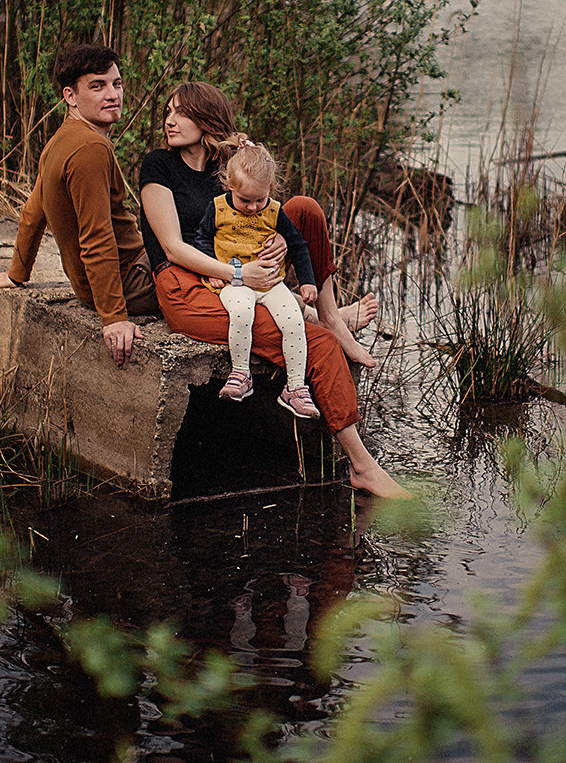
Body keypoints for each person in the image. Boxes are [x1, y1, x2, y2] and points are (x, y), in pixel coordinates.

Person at [138, 81, 408, 497]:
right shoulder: (158, 165)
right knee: (314, 343)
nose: (170, 120)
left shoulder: (228, 166)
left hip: (244, 278)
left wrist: (279, 240)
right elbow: (173, 248)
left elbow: (264, 212)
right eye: (168, 111)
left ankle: (331, 314)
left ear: (208, 120)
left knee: (303, 210)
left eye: (183, 113)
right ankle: (362, 465)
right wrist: (240, 275)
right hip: (188, 288)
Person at [0, 43, 155, 366]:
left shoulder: (60, 140)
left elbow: (32, 214)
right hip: (134, 281)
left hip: (101, 283)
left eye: (117, 83)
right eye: (97, 86)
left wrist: (16, 274)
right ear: (70, 96)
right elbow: (96, 236)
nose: (112, 94)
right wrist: (114, 317)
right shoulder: (91, 149)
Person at [189, 140, 320, 418]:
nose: (252, 207)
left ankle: (295, 388)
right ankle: (240, 375)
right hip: (234, 281)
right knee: (241, 312)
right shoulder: (218, 208)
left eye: (259, 200)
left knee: (294, 321)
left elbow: (298, 244)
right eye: (245, 200)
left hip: (271, 283)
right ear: (230, 187)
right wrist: (211, 270)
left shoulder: (274, 210)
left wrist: (307, 281)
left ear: (269, 191)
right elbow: (202, 239)